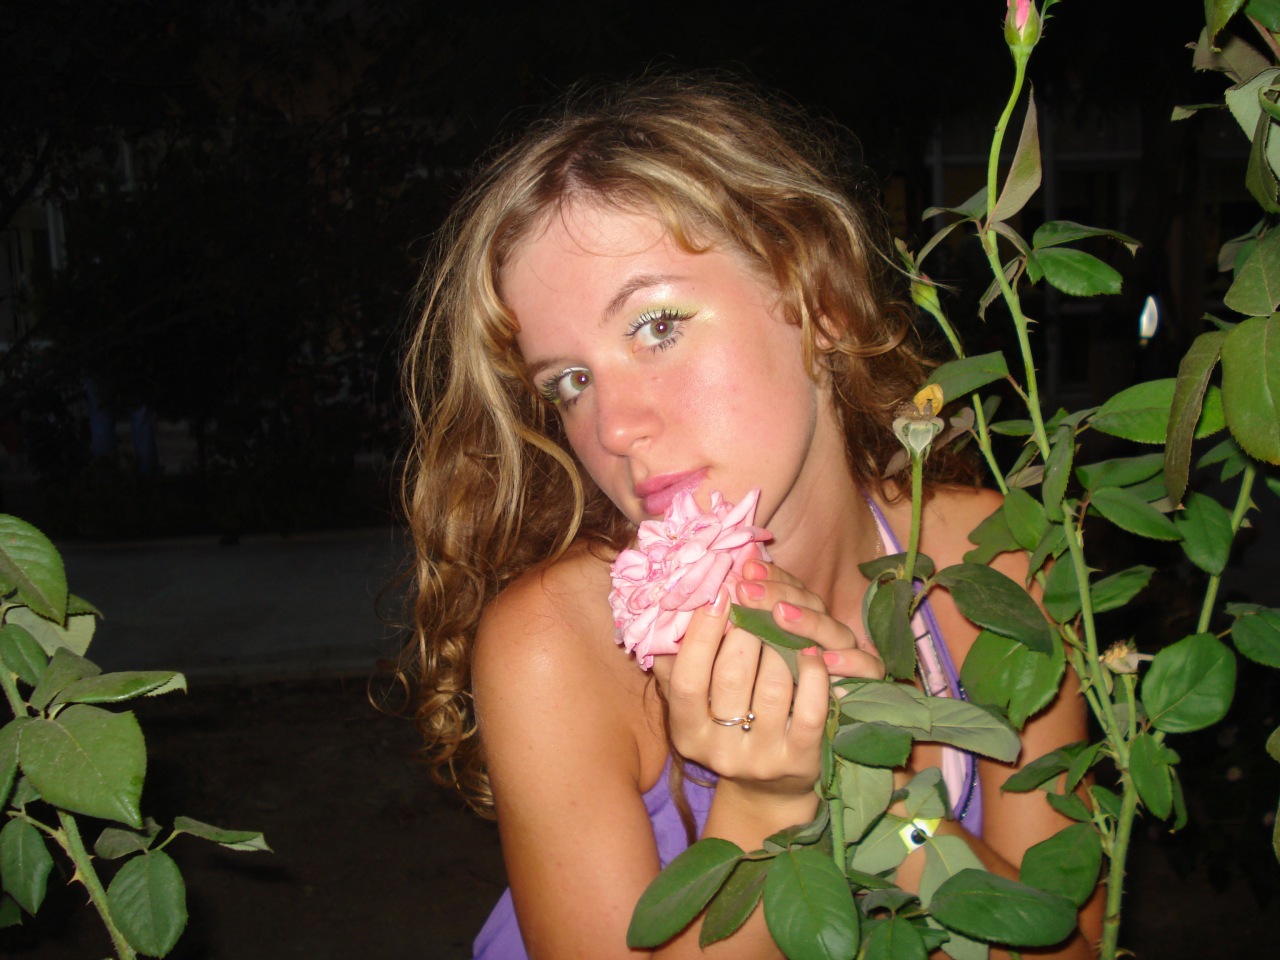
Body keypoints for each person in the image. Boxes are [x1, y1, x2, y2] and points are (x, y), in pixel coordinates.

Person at [397, 77, 1101, 959]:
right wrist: (768, 805)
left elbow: (1068, 945)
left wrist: (888, 808)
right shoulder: (556, 645)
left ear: (821, 302)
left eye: (657, 327)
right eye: (569, 382)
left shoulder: (996, 564)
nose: (612, 428)